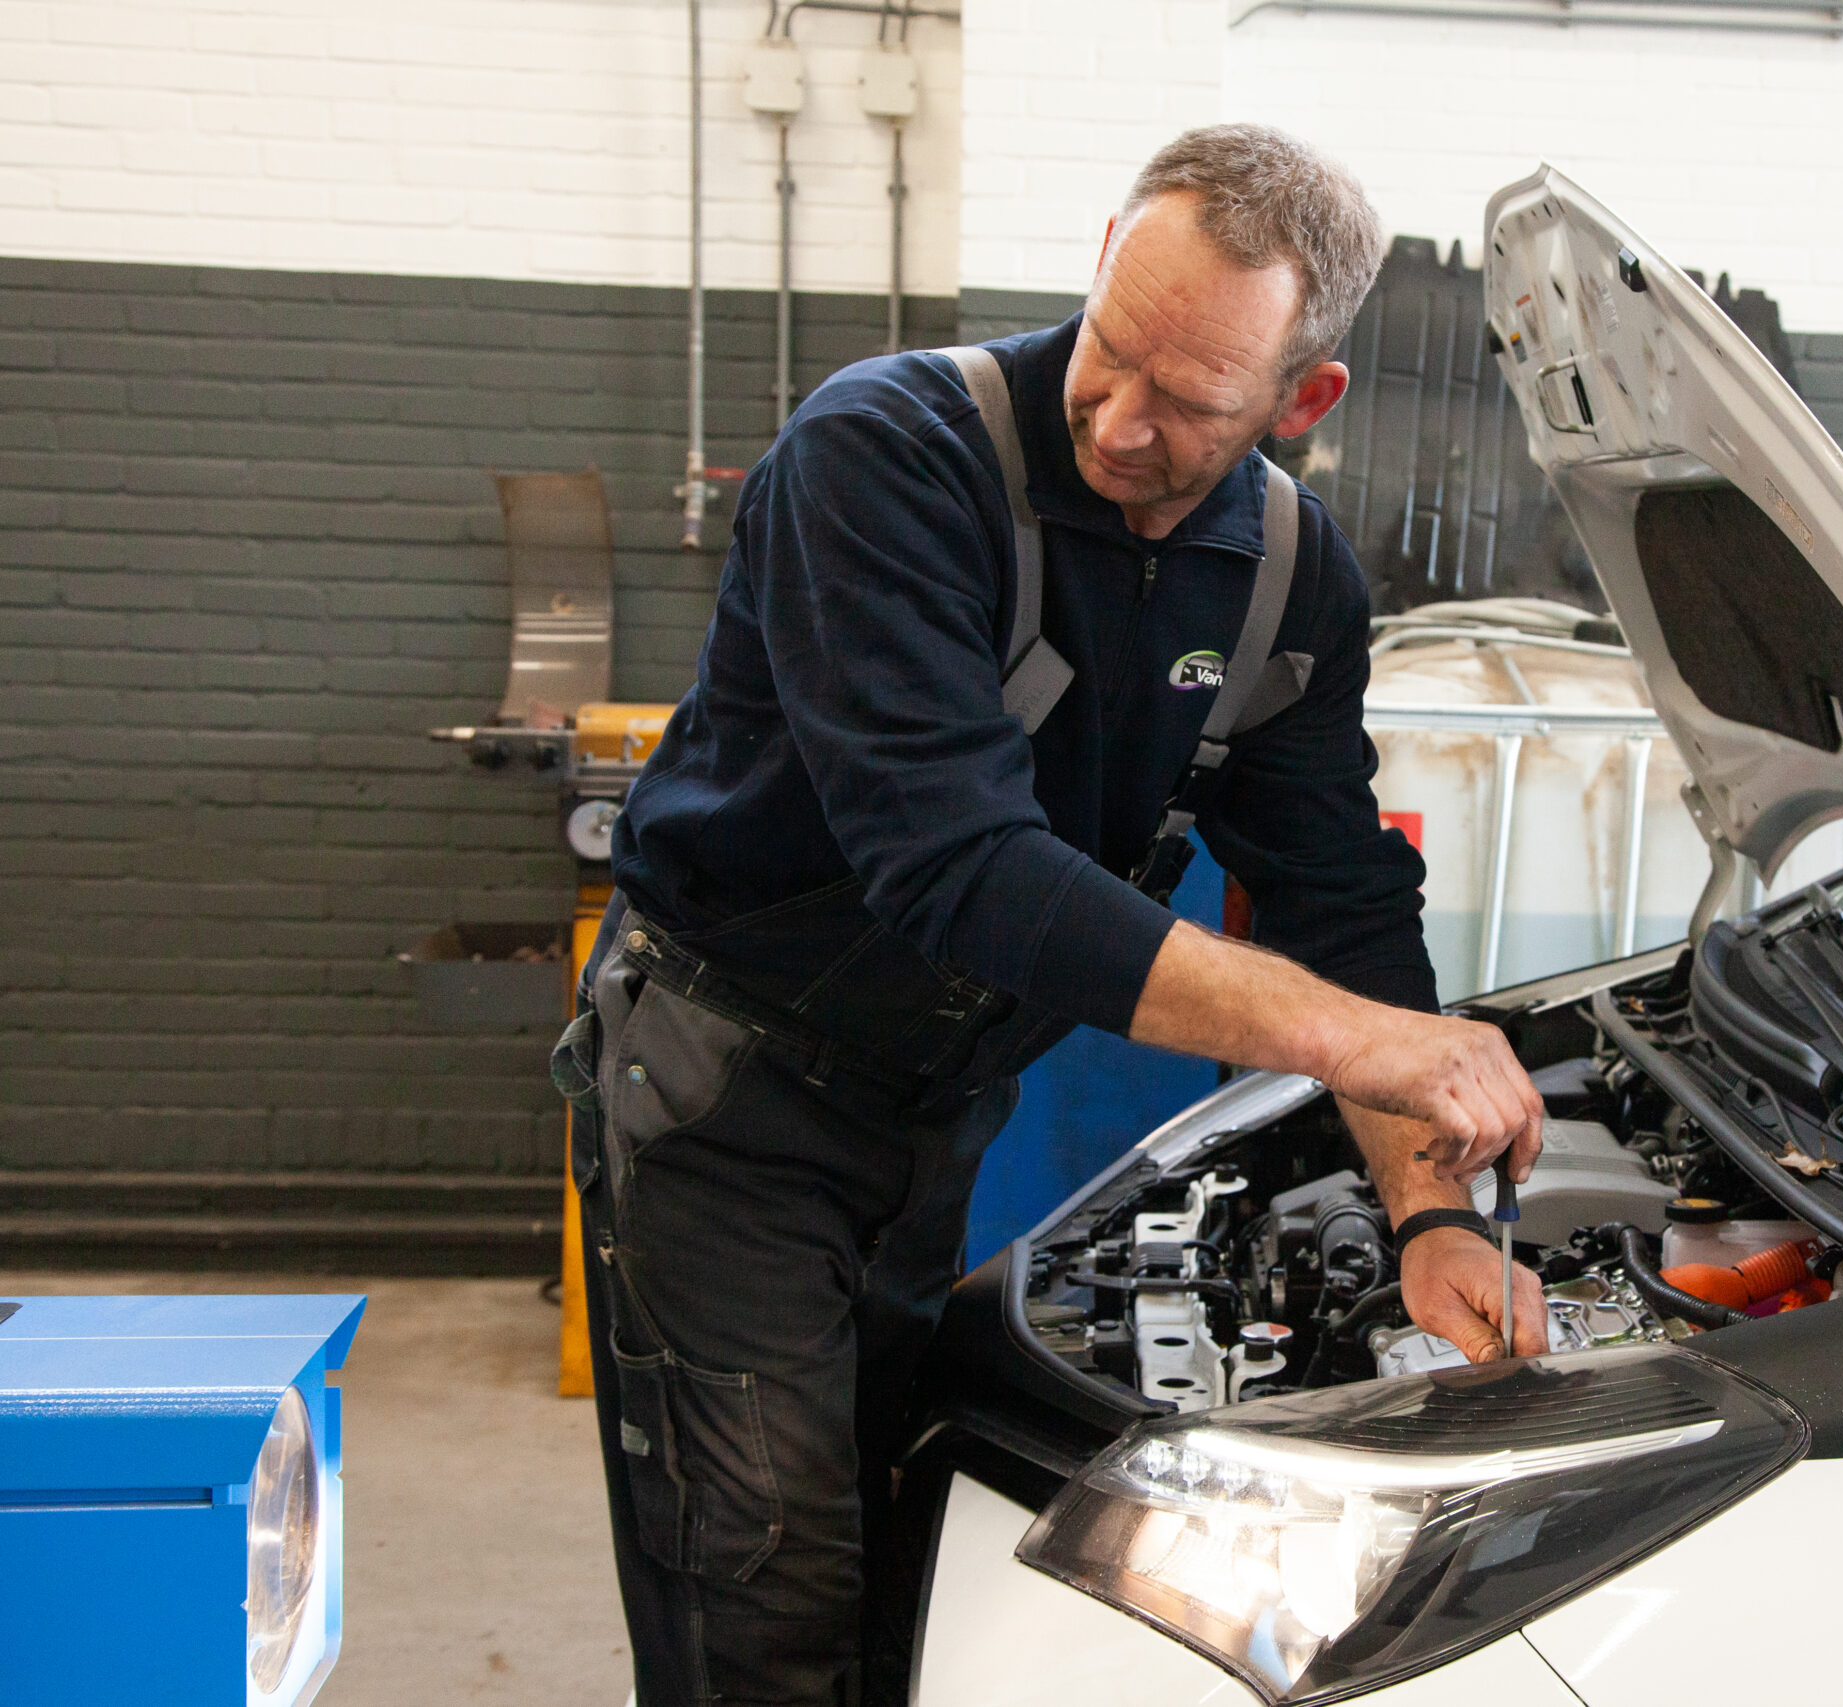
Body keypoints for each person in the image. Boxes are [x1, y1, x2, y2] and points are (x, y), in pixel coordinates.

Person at [555, 124, 1549, 1706]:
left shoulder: (1290, 578)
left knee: (894, 1530)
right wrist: (1381, 1044)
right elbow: (961, 871)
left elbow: (1341, 904)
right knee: (760, 1592)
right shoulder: (883, 457)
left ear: (1304, 400)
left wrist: (1430, 1218)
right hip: (724, 1105)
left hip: (928, 1120)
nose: (1122, 418)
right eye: (1108, 353)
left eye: (1193, 401)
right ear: (1099, 260)